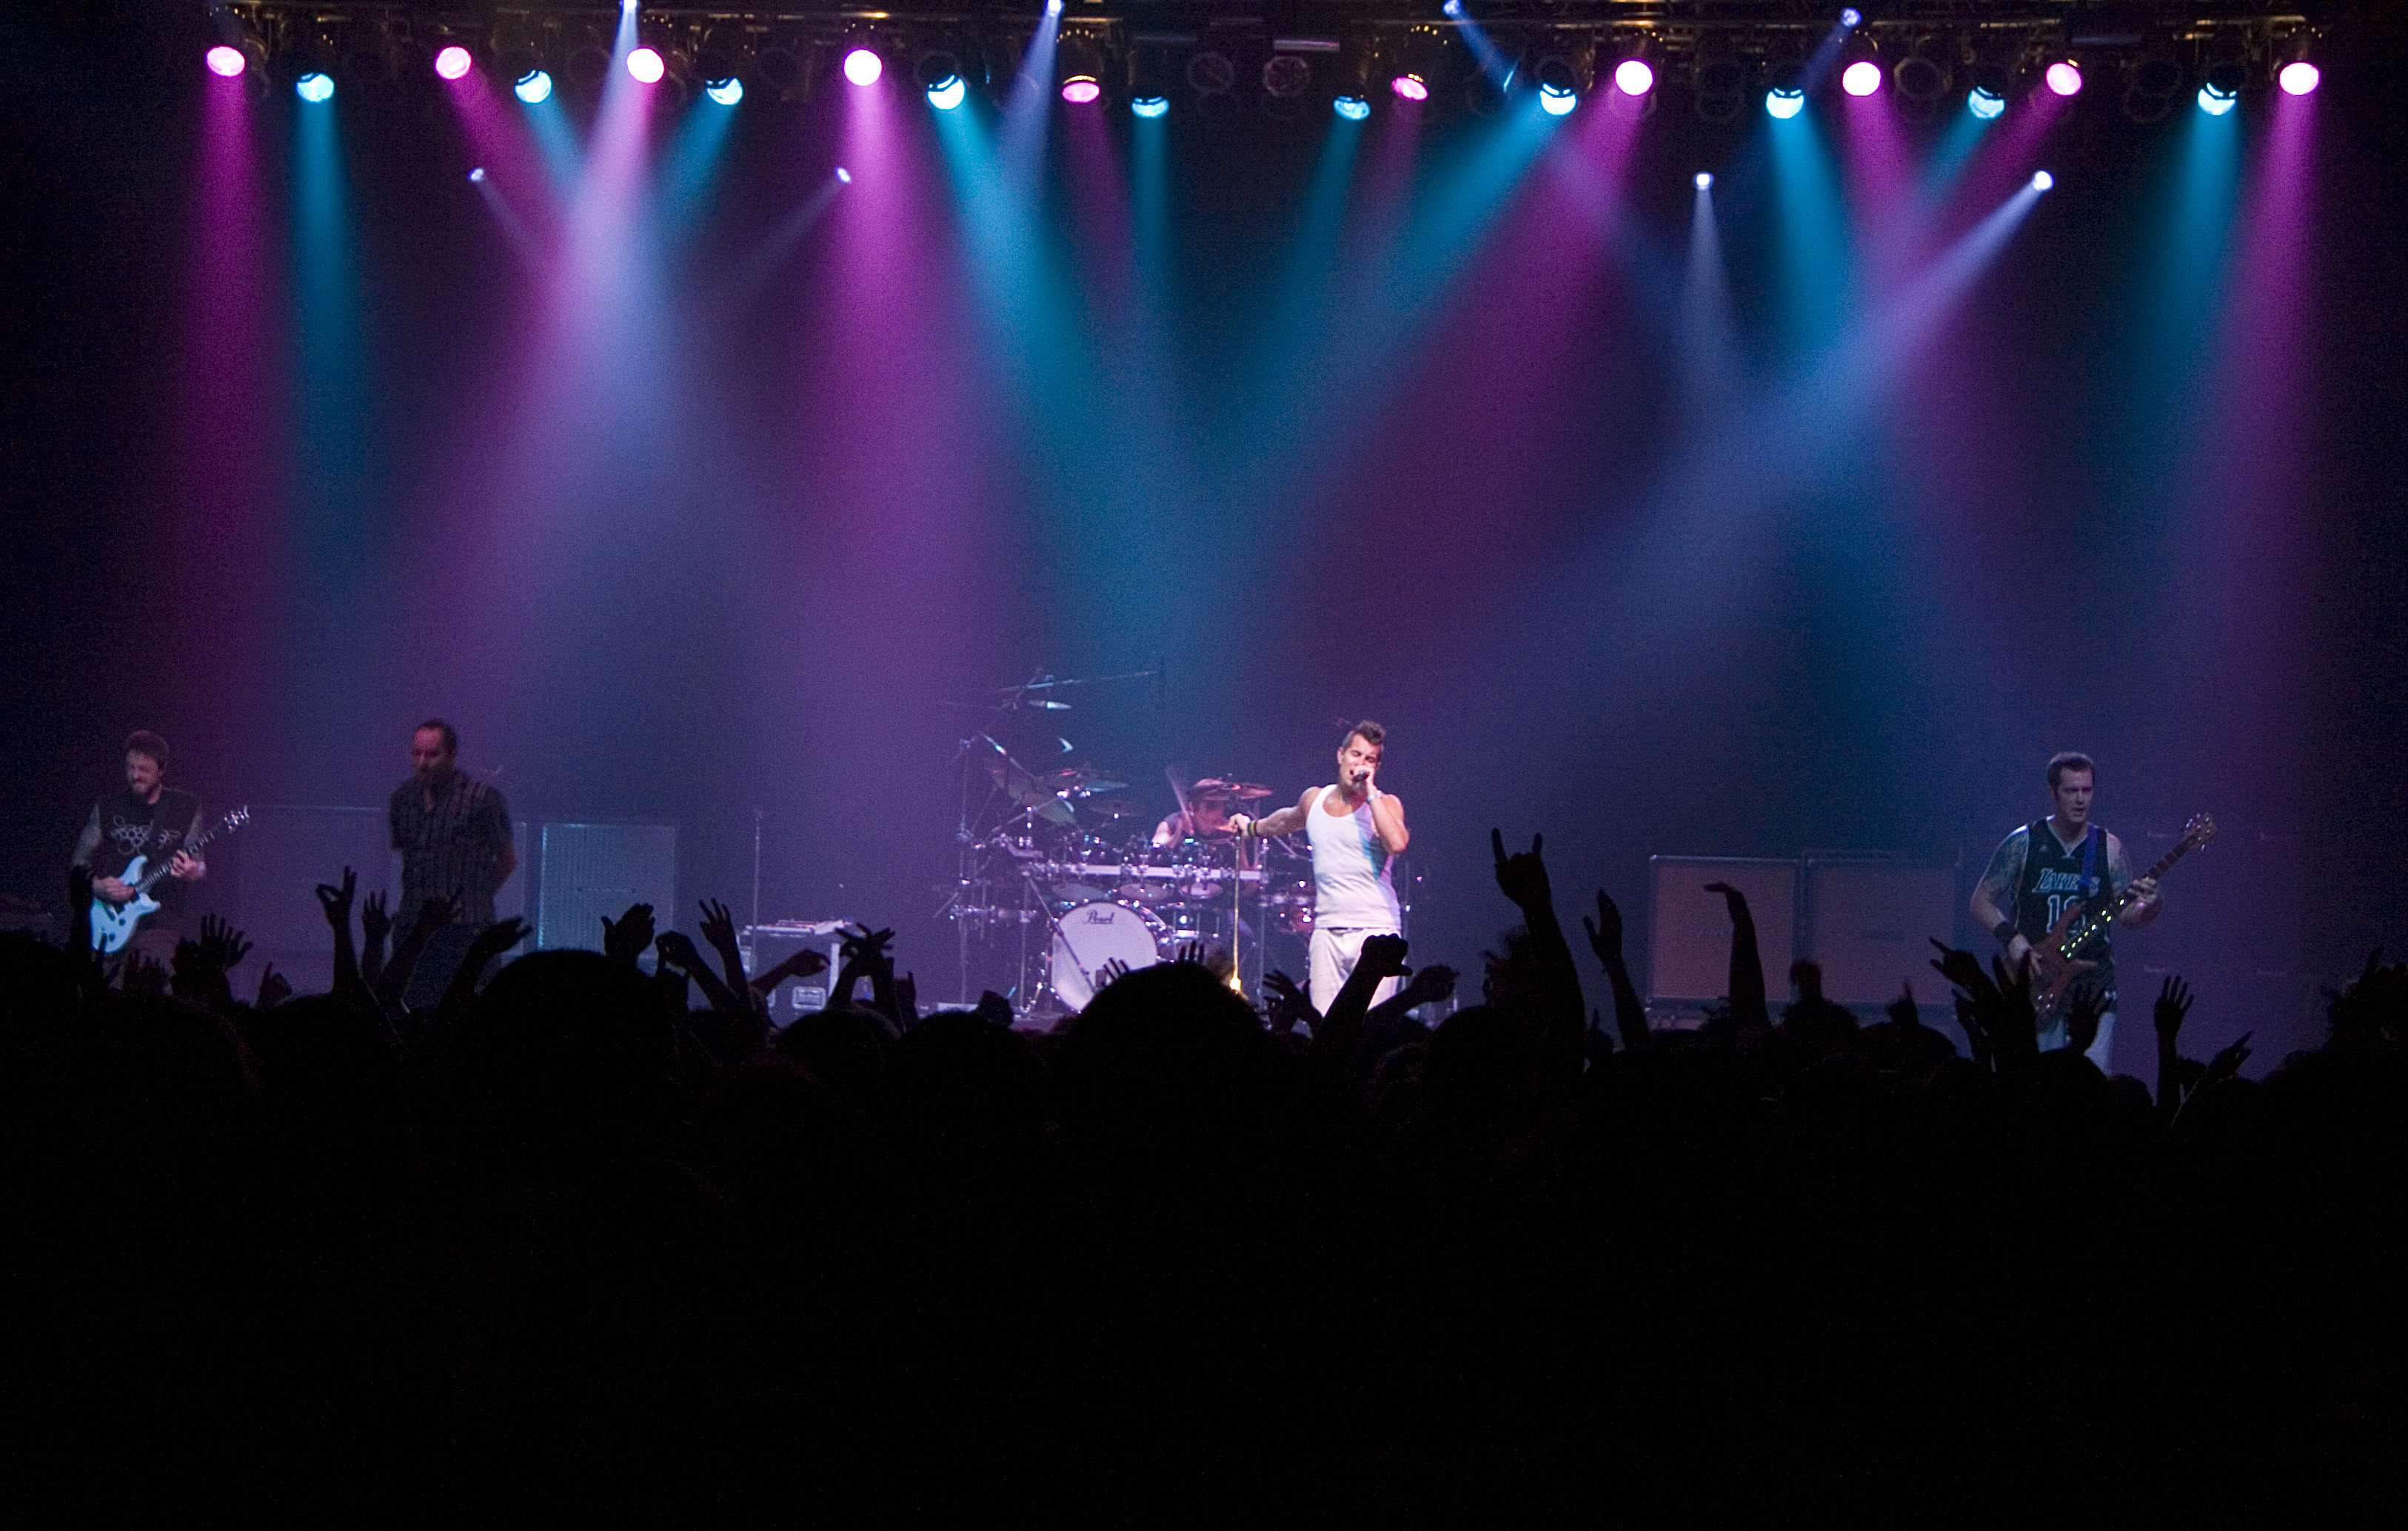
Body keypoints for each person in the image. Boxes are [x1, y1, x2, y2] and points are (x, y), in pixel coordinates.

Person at [1969, 751, 2160, 1070]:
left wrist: (2152, 906)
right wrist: (2012, 939)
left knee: (2089, 1084)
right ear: (2053, 793)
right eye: (2072, 791)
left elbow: (2127, 916)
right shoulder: (2023, 843)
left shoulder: (2109, 848)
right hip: (2037, 982)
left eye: (2087, 790)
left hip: (2093, 987)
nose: (2081, 799)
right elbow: (1980, 901)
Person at [1231, 722, 1408, 1011]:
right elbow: (1285, 820)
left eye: (1370, 759)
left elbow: (1397, 843)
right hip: (1327, 930)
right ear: (1341, 755)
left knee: (1370, 1025)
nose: (1360, 764)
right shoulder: (1314, 799)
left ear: (1377, 767)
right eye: (1356, 754)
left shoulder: (1385, 804)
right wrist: (1251, 828)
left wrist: (1371, 792)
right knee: (1325, 1022)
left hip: (1376, 929)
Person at [389, 720, 517, 1008]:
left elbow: (507, 860)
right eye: (417, 753)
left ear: (452, 755)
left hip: (465, 932)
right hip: (414, 932)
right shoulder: (402, 799)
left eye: (432, 754)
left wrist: (474, 898)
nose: (422, 762)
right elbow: (408, 862)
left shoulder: (482, 799)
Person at [73, 730, 207, 968]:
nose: (135, 775)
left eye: (143, 769)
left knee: (150, 984)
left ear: (161, 770)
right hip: (107, 917)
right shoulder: (108, 806)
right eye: (130, 768)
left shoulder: (186, 808)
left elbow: (200, 867)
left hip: (159, 925)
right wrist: (97, 886)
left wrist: (192, 871)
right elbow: (79, 863)